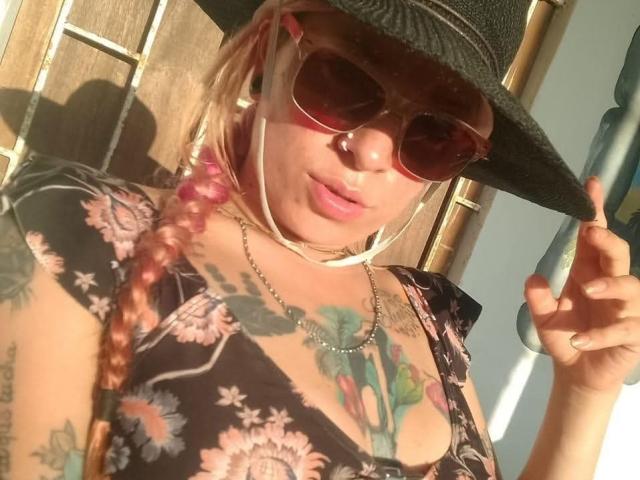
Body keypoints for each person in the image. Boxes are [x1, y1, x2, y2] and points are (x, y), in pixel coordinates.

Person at [1, 0, 638, 478]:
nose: (369, 152)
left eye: (436, 135)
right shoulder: (81, 232)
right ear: (266, 53)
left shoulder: (431, 317)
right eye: (342, 82)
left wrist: (584, 392)